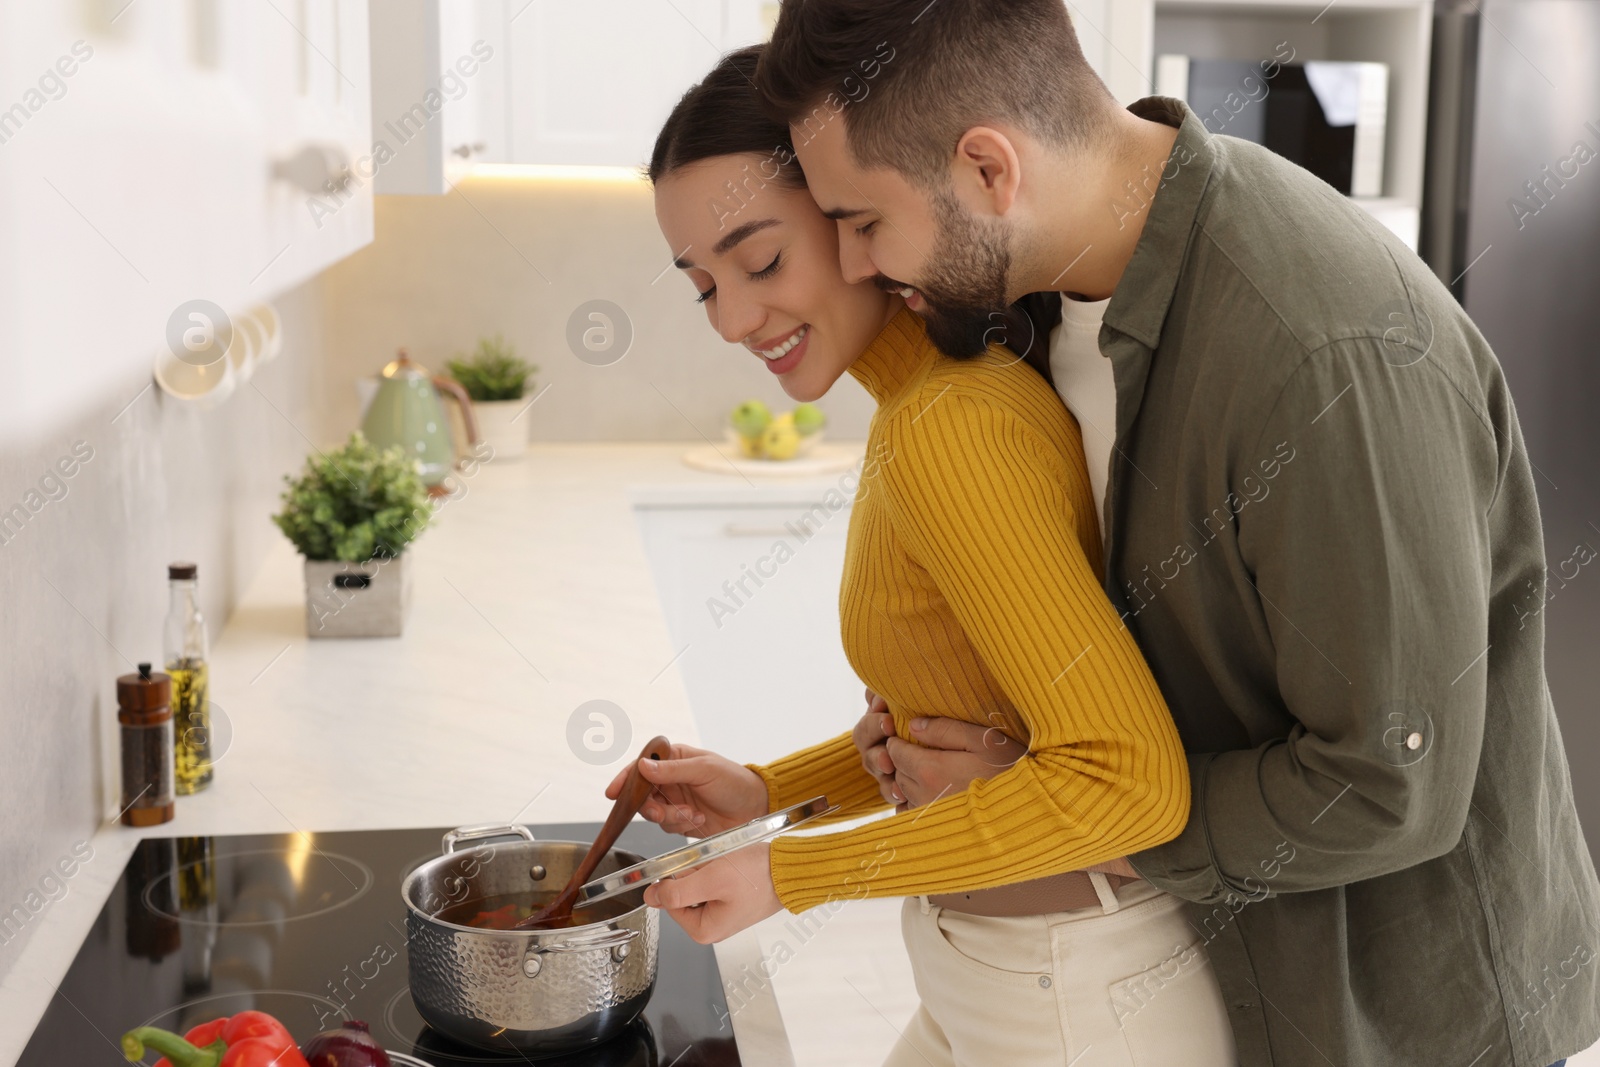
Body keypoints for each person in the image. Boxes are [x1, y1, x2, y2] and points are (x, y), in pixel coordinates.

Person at [753, 2, 1600, 1066]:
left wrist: (1075, 804)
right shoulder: (1041, 295)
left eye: (862, 220)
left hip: (1397, 1021)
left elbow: (1386, 786)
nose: (852, 261)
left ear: (986, 169)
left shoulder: (1320, 353)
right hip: (1202, 973)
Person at [613, 45, 1240, 1066]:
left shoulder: (952, 423)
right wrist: (770, 789)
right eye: (702, 287)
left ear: (851, 211)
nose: (732, 318)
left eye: (760, 261)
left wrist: (791, 872)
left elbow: (1127, 780)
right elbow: (985, 714)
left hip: (1070, 992)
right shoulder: (925, 404)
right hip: (1001, 964)